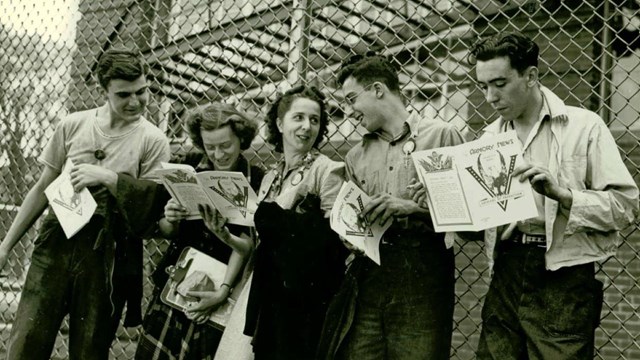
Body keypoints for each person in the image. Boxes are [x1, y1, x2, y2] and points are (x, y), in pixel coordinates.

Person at [468, 32, 639, 359]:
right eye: (483, 86)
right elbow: (478, 225)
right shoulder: (488, 137)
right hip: (505, 265)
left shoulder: (584, 126)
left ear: (531, 76)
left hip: (562, 271)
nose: (489, 97)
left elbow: (626, 206)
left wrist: (562, 195)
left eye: (500, 84)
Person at [0, 49, 171, 359]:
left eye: (142, 91)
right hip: (57, 239)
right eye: (123, 95)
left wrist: (108, 177)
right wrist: (5, 247)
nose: (135, 101)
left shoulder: (153, 139)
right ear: (101, 89)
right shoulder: (73, 125)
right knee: (26, 340)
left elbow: (149, 207)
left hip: (108, 251)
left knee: (90, 346)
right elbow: (42, 188)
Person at [322, 53, 466, 360]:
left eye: (351, 99)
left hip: (423, 270)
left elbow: (466, 215)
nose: (349, 112)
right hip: (371, 273)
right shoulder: (356, 156)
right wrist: (351, 235)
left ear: (377, 89)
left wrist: (411, 207)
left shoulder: (441, 135)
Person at [222, 85, 347, 360]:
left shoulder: (327, 170)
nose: (307, 127)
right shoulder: (270, 177)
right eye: (298, 117)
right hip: (265, 289)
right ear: (279, 123)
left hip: (300, 299)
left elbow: (335, 241)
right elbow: (258, 244)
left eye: (315, 120)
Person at [134, 102, 264, 360]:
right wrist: (170, 217)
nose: (218, 154)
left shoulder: (256, 179)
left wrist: (224, 236)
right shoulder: (189, 166)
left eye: (225, 145)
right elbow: (166, 231)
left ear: (242, 138)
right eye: (210, 146)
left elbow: (249, 246)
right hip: (178, 283)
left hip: (221, 288)